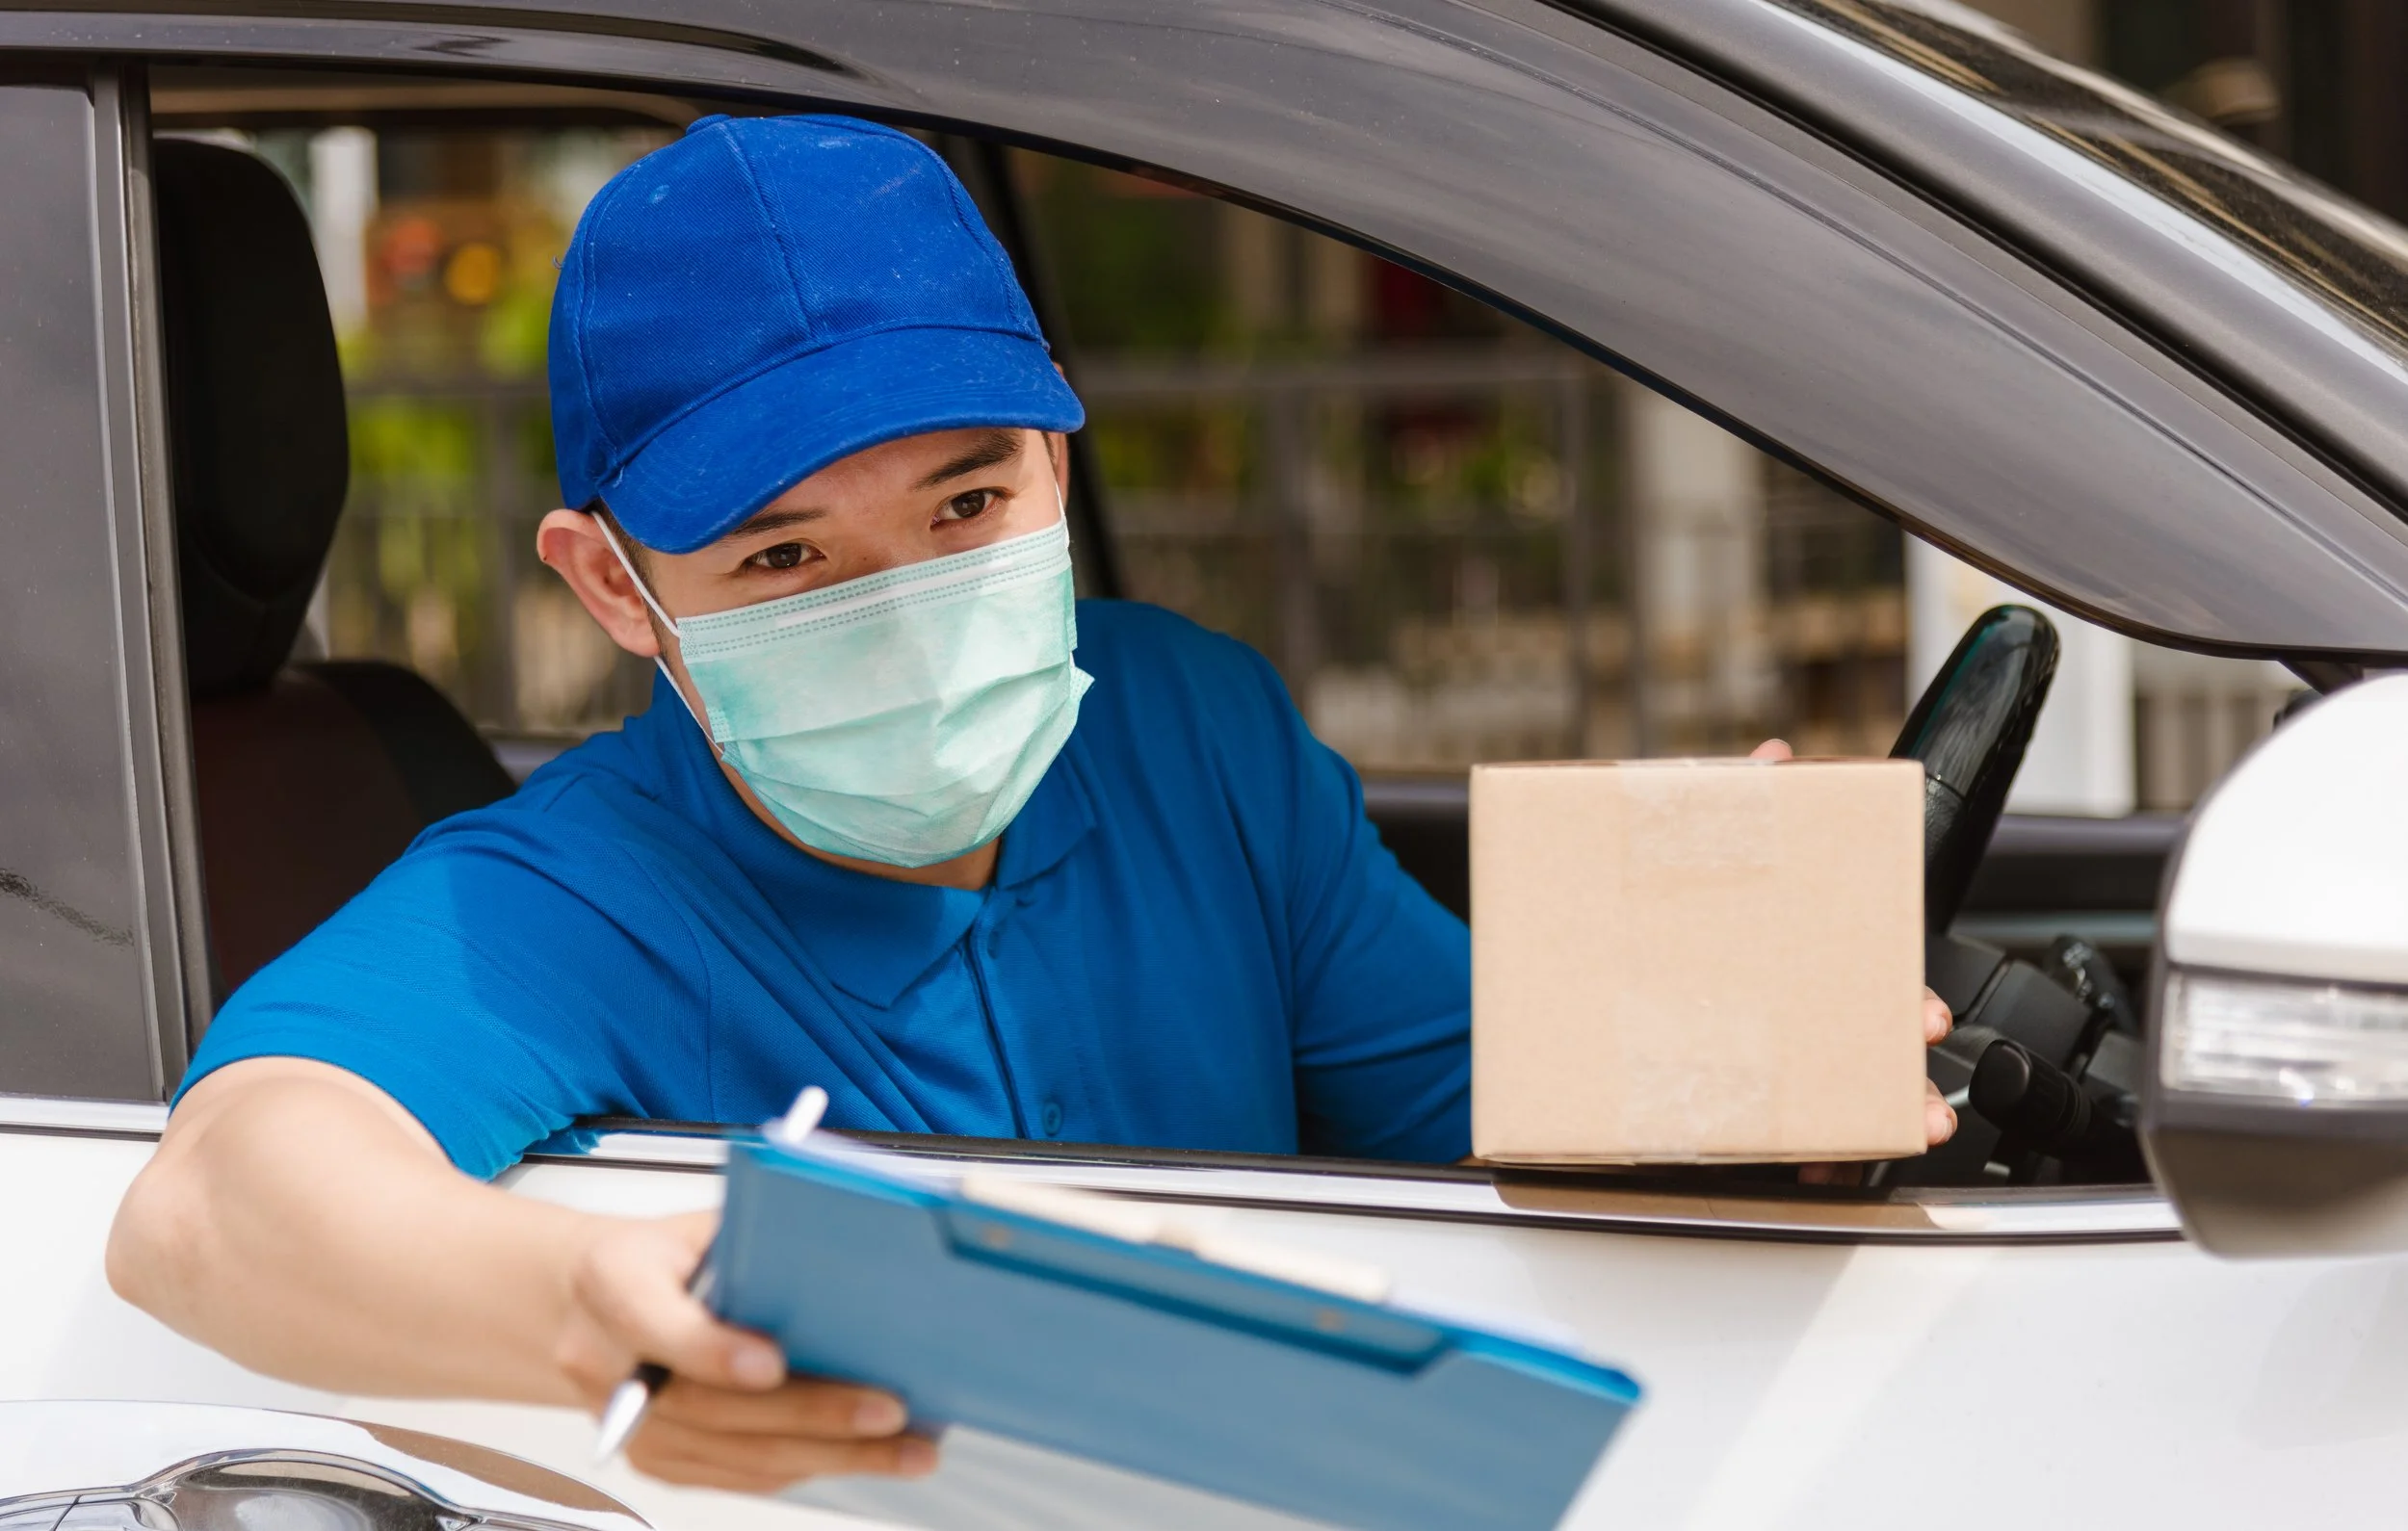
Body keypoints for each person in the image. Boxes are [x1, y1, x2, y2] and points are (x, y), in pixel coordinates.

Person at [108, 114, 1954, 1493]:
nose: (905, 597)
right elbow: (215, 1201)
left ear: (1056, 457)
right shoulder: (562, 899)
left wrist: (1733, 1045)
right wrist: (595, 1298)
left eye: (968, 507)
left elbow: (1461, 1099)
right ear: (614, 586)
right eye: (785, 553)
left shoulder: (1184, 725)